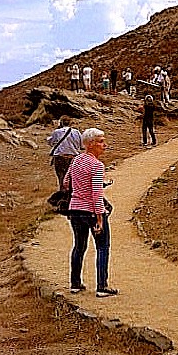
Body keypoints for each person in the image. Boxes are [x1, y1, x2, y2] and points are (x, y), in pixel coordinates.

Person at [65, 127, 116, 297]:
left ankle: (75, 283)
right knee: (102, 246)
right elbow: (96, 194)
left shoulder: (75, 161)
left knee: (79, 246)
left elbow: (66, 182)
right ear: (91, 144)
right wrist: (100, 218)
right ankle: (102, 286)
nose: (105, 145)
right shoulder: (96, 165)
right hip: (91, 211)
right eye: (101, 141)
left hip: (75, 208)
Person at [45, 117, 83, 191]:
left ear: (61, 123)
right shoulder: (76, 132)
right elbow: (81, 146)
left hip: (60, 157)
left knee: (61, 178)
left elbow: (51, 142)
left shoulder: (57, 132)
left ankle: (63, 195)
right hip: (73, 158)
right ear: (70, 123)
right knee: (72, 179)